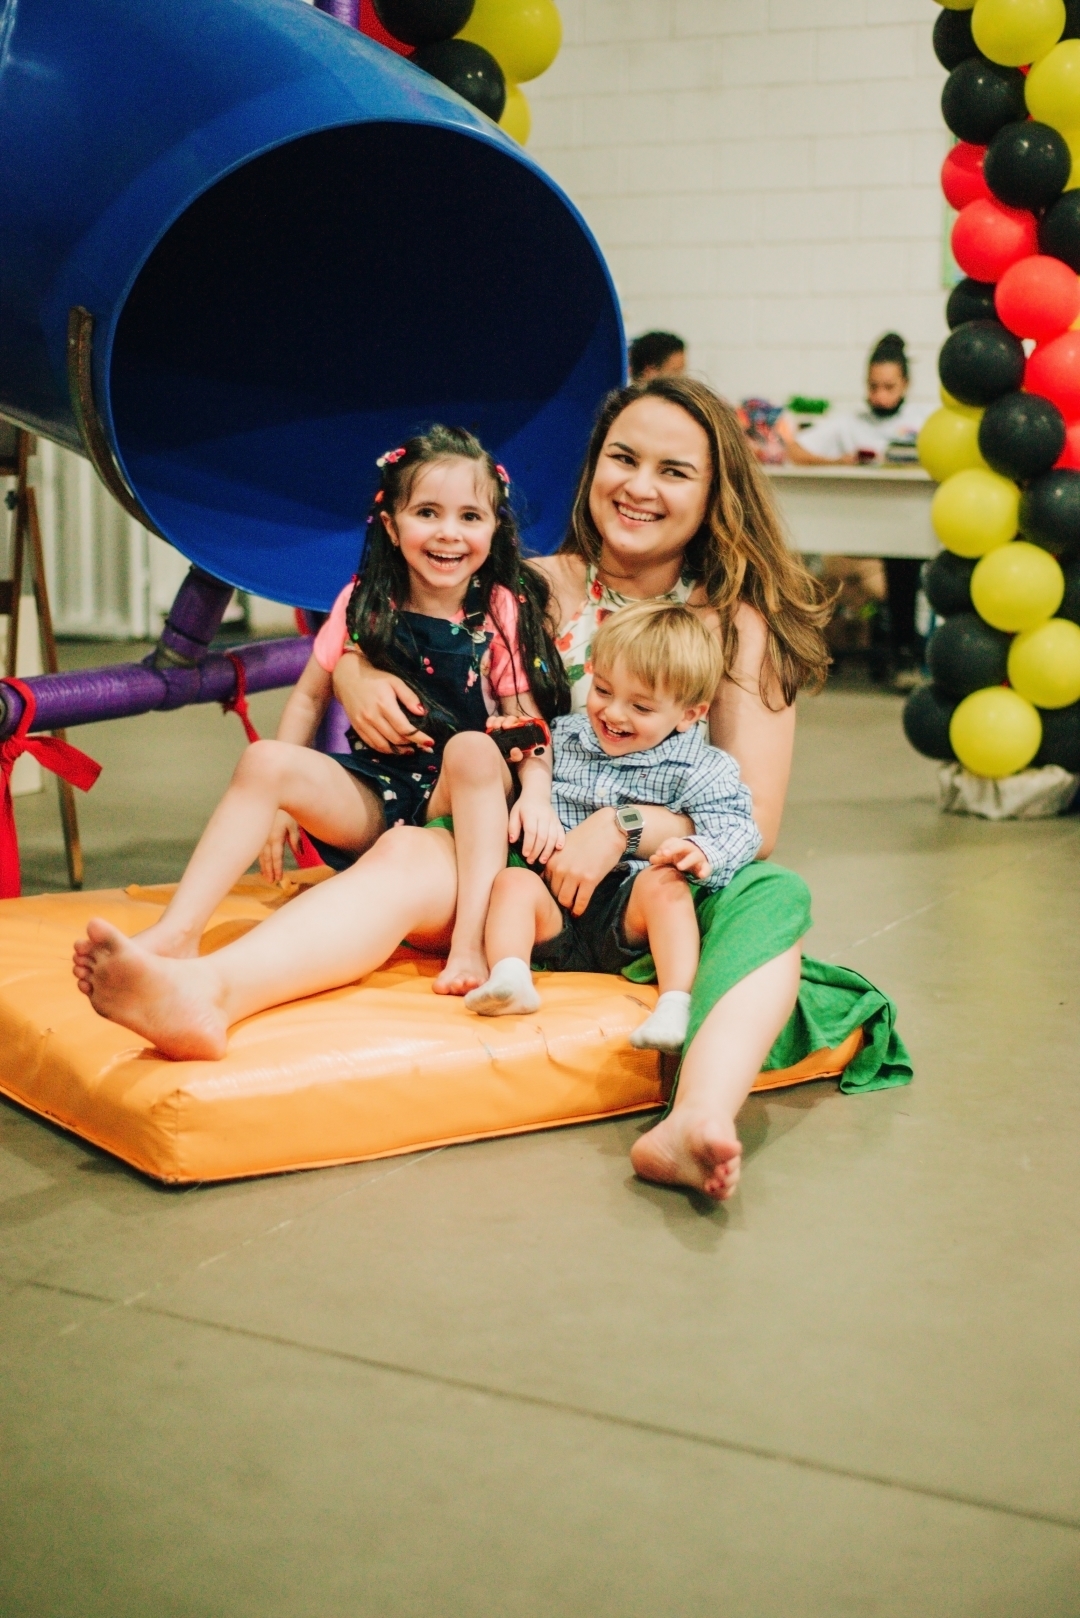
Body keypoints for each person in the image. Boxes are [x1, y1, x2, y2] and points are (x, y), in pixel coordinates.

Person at [74, 377, 906, 1204]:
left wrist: (620, 827)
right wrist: (358, 672)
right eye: (623, 458)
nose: (640, 486)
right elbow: (388, 614)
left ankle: (696, 1121)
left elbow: (752, 820)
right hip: (511, 857)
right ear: (593, 468)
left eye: (674, 470)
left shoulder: (737, 624)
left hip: (652, 885)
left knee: (773, 897)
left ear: (716, 492)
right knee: (408, 850)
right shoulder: (529, 586)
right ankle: (208, 995)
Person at [85, 425, 568, 996]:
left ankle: (469, 945)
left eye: (470, 517)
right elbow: (311, 694)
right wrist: (283, 809)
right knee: (267, 760)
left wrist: (535, 792)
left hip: (461, 803)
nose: (448, 533)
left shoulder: (498, 608)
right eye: (428, 513)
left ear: (495, 527)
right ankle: (177, 932)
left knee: (472, 748)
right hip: (382, 790)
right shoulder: (363, 600)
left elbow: (526, 720)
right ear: (390, 525)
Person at [467, 601, 762, 1055]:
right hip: (553, 901)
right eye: (603, 690)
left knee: (664, 885)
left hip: (625, 913)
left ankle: (676, 1002)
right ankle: (511, 977)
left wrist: (702, 851)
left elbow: (740, 827)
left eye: (641, 706)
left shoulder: (701, 767)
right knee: (511, 883)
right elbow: (530, 752)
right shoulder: (565, 735)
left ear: (689, 714)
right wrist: (511, 740)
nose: (614, 714)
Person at [786, 333, 933, 688]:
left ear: (906, 385)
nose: (880, 395)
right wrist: (839, 460)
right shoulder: (851, 423)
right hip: (856, 537)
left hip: (904, 534)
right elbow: (796, 451)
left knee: (904, 558)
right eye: (873, 386)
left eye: (888, 386)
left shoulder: (926, 421)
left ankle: (904, 654)